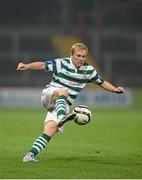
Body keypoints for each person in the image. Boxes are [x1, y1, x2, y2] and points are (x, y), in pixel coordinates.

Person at [17, 42, 125, 162]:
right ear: (71, 55)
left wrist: (115, 89)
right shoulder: (62, 63)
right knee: (64, 92)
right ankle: (62, 116)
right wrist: (26, 66)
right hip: (50, 94)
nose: (81, 59)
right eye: (78, 55)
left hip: (62, 104)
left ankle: (30, 155)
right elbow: (42, 65)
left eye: (83, 56)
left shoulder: (88, 70)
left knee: (51, 128)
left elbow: (101, 82)